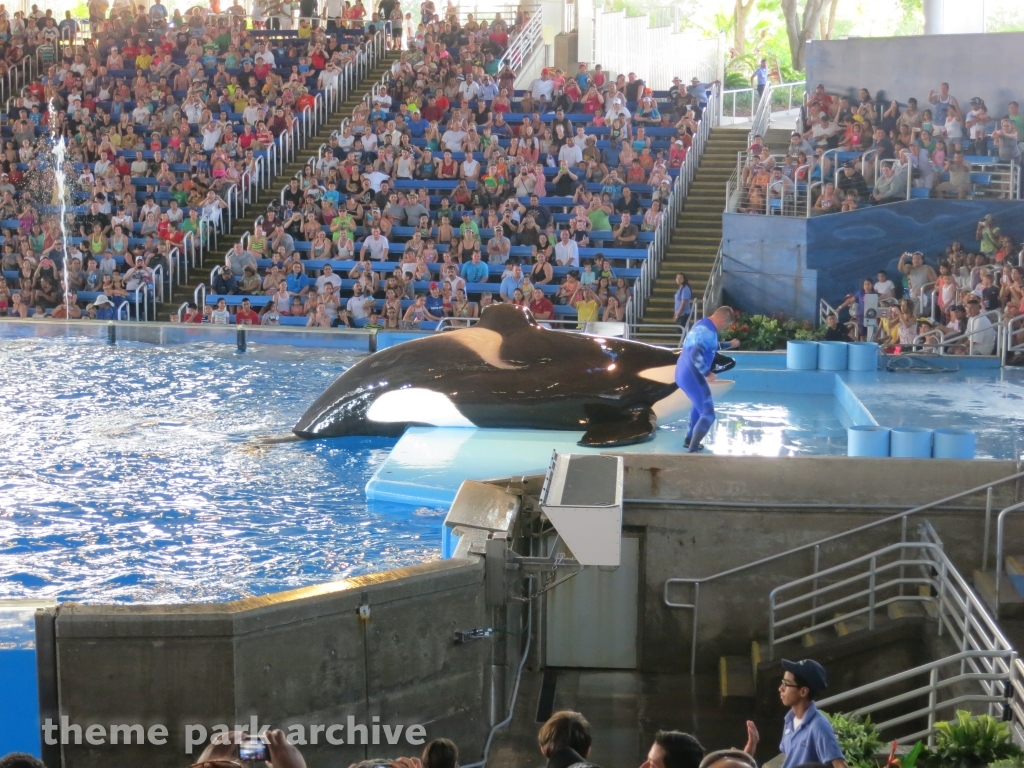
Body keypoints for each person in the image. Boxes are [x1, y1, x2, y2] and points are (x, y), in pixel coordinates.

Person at [675, 306, 740, 453]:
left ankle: (689, 440)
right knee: (708, 415)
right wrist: (707, 373)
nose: (725, 328)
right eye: (727, 325)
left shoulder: (702, 324)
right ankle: (692, 451)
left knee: (698, 407)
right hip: (693, 376)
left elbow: (709, 346)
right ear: (723, 321)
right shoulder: (709, 332)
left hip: (681, 372)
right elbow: (695, 354)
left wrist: (729, 344)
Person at [770, 658, 847, 768]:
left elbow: (840, 765)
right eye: (782, 682)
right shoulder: (789, 720)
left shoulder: (819, 725)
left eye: (786, 684)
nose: (780, 688)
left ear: (803, 692)